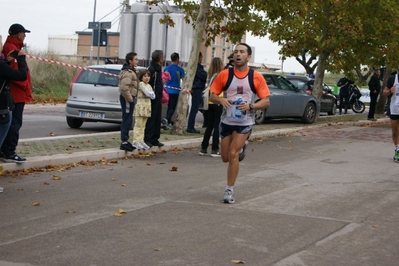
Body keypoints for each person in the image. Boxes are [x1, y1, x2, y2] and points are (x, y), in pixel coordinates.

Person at [209, 43, 270, 204]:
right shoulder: (224, 74)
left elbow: (266, 102)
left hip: (245, 121)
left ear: (248, 57)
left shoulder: (256, 77)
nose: (238, 54)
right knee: (224, 157)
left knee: (232, 154)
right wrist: (221, 99)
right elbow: (212, 96)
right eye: (236, 52)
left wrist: (251, 106)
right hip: (227, 120)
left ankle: (229, 190)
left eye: (242, 52)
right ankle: (241, 147)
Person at [1, 23, 32, 163]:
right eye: (24, 33)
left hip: (14, 94)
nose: (25, 36)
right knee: (13, 123)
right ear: (19, 34)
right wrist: (26, 87)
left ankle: (6, 150)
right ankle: (9, 151)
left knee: (10, 123)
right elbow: (18, 75)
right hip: (15, 94)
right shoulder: (13, 49)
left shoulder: (12, 48)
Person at [0, 48, 28, 152]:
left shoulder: (2, 65)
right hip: (2, 105)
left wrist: (7, 61)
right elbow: (21, 75)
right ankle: (7, 151)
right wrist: (21, 58)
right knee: (7, 125)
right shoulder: (1, 66)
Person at [199, 57, 224, 157]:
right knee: (217, 126)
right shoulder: (220, 76)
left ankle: (203, 148)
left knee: (209, 126)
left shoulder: (210, 76)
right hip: (218, 101)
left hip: (209, 102)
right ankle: (215, 149)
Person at [144, 50, 165, 148]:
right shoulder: (151, 69)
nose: (163, 59)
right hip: (152, 98)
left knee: (157, 118)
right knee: (151, 119)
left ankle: (155, 138)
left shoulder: (159, 69)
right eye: (162, 57)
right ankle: (147, 138)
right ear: (159, 58)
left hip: (158, 97)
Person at [118, 52, 139, 152]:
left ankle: (126, 140)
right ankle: (124, 141)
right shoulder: (128, 72)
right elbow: (124, 87)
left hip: (130, 98)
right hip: (127, 99)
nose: (137, 61)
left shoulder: (132, 71)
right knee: (127, 119)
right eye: (135, 59)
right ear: (130, 61)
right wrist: (130, 99)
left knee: (129, 119)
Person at [132, 70, 155, 150]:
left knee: (143, 125)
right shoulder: (141, 84)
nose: (147, 78)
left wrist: (150, 94)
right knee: (138, 124)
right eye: (145, 76)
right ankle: (136, 141)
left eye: (148, 76)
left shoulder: (149, 85)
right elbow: (147, 93)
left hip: (147, 107)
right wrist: (149, 94)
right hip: (140, 107)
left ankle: (141, 140)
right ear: (141, 77)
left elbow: (153, 96)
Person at [162, 52, 185, 129]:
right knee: (172, 107)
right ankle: (166, 119)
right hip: (175, 91)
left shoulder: (167, 68)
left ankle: (167, 122)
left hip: (167, 90)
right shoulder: (180, 69)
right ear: (177, 59)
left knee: (169, 107)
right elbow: (184, 79)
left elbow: (164, 79)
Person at [187, 52, 207, 133]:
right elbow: (204, 76)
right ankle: (190, 127)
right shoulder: (197, 67)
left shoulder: (195, 67)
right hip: (197, 88)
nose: (202, 59)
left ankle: (191, 126)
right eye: (201, 58)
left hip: (197, 88)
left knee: (197, 108)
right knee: (194, 108)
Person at [383, 73, 399, 162]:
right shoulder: (393, 79)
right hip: (394, 109)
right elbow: (384, 92)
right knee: (395, 130)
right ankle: (397, 149)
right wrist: (389, 91)